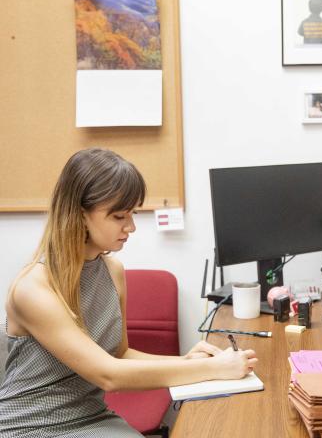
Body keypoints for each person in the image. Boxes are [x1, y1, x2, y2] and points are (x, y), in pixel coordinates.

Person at [0, 148, 258, 437]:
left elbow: (119, 354)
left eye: (132, 213)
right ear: (79, 214)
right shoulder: (33, 289)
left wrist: (186, 361)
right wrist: (215, 369)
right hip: (31, 425)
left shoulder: (112, 271)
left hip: (91, 414)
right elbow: (108, 375)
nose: (131, 226)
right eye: (119, 216)